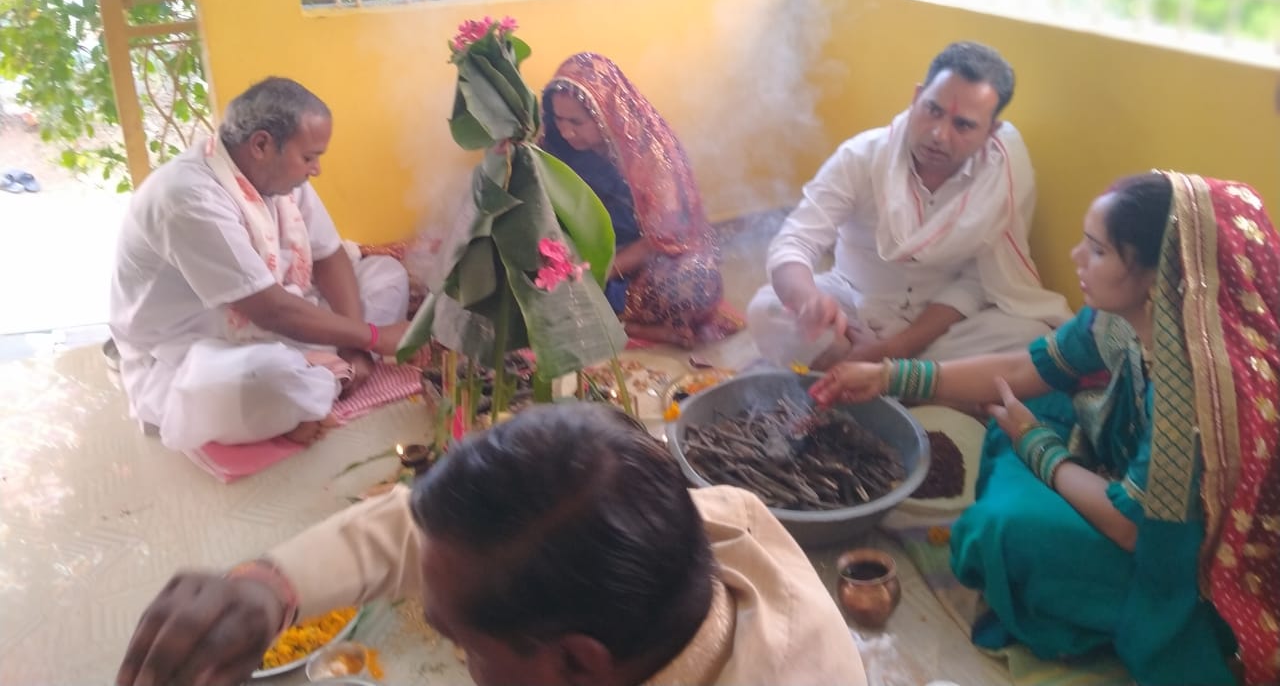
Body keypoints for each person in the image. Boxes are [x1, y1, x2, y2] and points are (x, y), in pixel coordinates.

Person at [810, 172, 1280, 686]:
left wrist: (1039, 449)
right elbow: (1027, 369)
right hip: (1124, 475)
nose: (1077, 257)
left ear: (1157, 274)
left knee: (1000, 530)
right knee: (1039, 398)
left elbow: (1132, 528)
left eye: (1097, 250)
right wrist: (889, 375)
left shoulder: (1185, 388)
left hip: (1173, 555)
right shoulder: (1119, 320)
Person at [114, 403, 867, 686]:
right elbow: (428, 533)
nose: (461, 664)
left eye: (466, 648)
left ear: (576, 663)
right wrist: (270, 587)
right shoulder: (705, 521)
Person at [109, 77, 411, 451]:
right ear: (262, 145)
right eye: (309, 157)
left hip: (286, 316)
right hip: (198, 350)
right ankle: (311, 387)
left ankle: (326, 378)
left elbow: (328, 255)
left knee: (387, 275)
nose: (316, 169)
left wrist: (356, 345)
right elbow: (270, 310)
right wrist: (374, 337)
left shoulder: (278, 176)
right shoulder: (187, 197)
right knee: (269, 378)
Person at [748, 40, 1070, 371]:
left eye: (963, 125)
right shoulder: (861, 156)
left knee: (1032, 336)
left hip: (936, 328)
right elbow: (795, 241)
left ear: (991, 130)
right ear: (917, 97)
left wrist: (897, 346)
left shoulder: (1002, 177)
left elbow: (978, 282)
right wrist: (808, 301)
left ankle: (877, 376)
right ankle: (915, 382)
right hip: (852, 306)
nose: (939, 134)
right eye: (933, 110)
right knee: (766, 309)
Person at [541, 52, 737, 347]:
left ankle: (618, 321)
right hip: (583, 262)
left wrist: (602, 272)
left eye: (576, 122)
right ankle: (639, 327)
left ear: (605, 114)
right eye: (558, 119)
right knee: (526, 276)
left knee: (697, 279)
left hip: (641, 267)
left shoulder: (652, 154)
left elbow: (663, 239)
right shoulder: (556, 147)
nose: (566, 131)